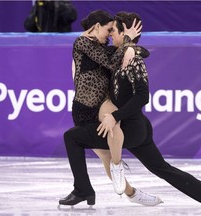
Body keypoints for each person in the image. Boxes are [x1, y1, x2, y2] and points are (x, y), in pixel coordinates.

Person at [61, 11, 201, 208]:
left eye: (113, 32)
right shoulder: (114, 54)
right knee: (161, 168)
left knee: (74, 137)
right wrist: (131, 47)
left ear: (123, 33)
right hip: (133, 125)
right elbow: (124, 54)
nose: (110, 36)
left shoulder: (129, 59)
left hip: (130, 127)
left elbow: (142, 95)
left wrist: (131, 47)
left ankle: (111, 179)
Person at [59, 10, 162, 206]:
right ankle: (132, 193)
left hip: (101, 103)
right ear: (97, 26)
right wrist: (128, 43)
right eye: (108, 29)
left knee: (113, 125)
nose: (109, 34)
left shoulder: (103, 46)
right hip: (82, 109)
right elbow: (110, 60)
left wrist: (131, 47)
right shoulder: (81, 43)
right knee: (105, 157)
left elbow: (144, 52)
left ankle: (117, 168)